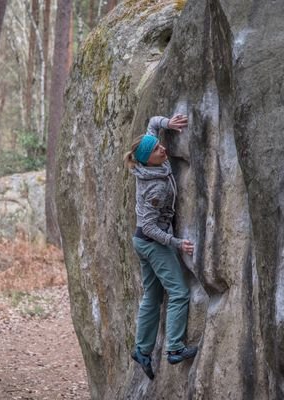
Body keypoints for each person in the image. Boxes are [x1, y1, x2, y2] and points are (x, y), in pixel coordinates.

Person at [123, 114, 197, 380]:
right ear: (147, 159)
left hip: (141, 241)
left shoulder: (145, 157)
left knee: (152, 297)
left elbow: (153, 123)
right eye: (156, 150)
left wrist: (168, 123)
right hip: (153, 243)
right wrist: (177, 243)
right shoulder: (155, 189)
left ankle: (142, 351)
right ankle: (175, 348)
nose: (162, 148)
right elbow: (151, 227)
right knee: (178, 293)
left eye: (159, 145)